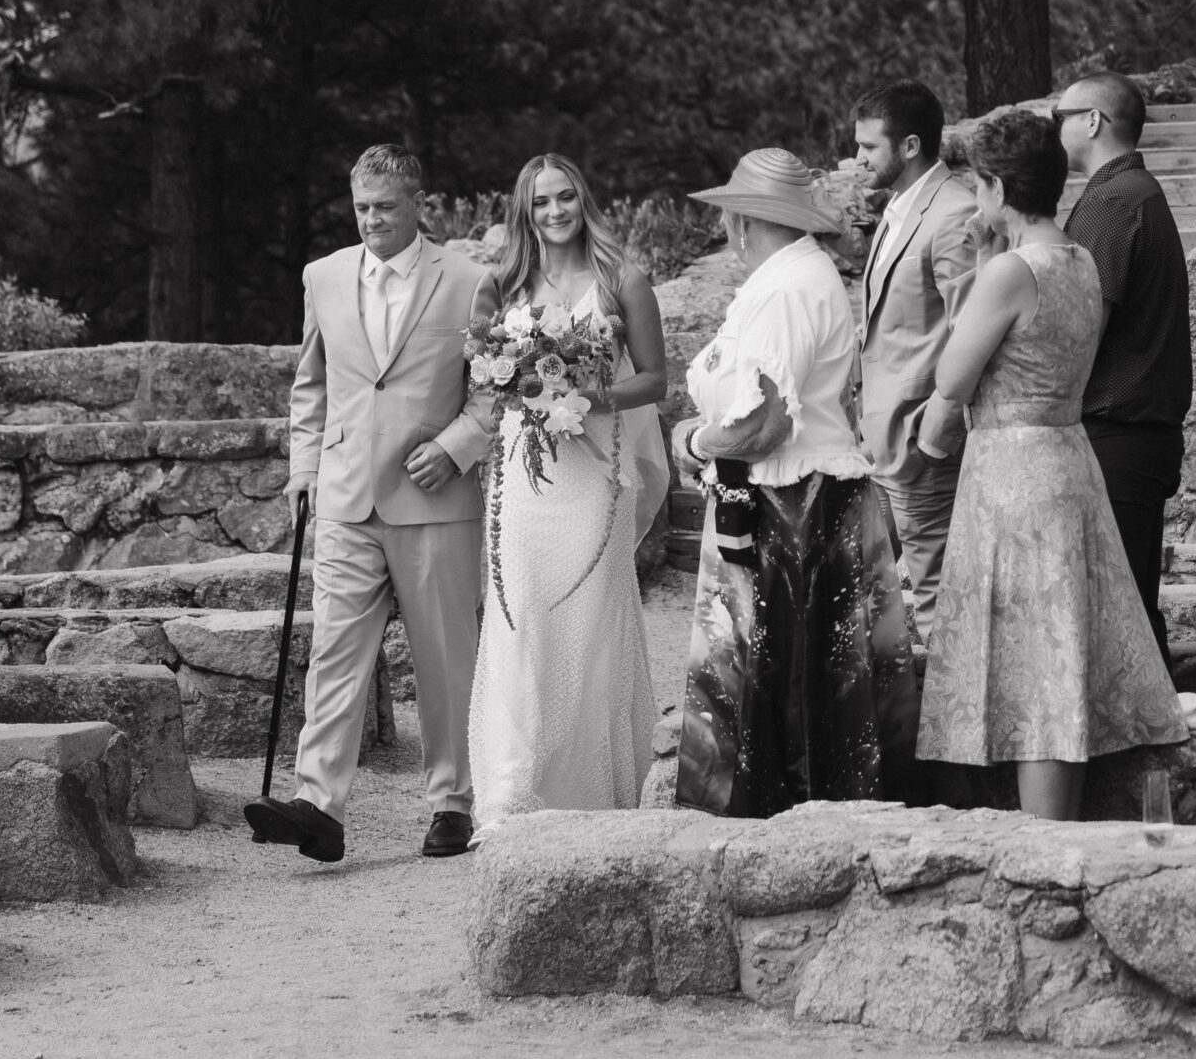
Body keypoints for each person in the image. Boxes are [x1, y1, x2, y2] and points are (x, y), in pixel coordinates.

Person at [916, 109, 1187, 819]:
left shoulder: (1011, 271)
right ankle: (1055, 828)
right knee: (1055, 658)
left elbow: (951, 378)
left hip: (1013, 472)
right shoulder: (1079, 260)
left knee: (1034, 666)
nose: (976, 203)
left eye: (978, 189)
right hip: (1067, 457)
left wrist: (974, 278)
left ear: (997, 190)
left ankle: (1040, 842)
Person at [258, 146, 492, 864]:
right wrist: (303, 470)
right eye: (360, 207)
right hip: (345, 498)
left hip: (434, 499)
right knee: (332, 652)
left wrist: (456, 445)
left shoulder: (469, 280)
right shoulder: (322, 276)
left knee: (445, 659)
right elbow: (311, 387)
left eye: (384, 208)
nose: (371, 220)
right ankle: (317, 805)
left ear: (418, 203)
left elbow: (491, 390)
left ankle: (452, 801)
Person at [675, 147, 918, 816]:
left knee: (789, 680)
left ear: (743, 220)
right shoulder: (789, 278)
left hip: (792, 504)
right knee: (815, 679)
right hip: (806, 493)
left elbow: (765, 427)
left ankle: (775, 821)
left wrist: (694, 440)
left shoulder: (786, 289)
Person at [467, 156, 669, 827]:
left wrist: (590, 392)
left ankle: (588, 795)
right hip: (525, 473)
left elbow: (655, 380)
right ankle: (512, 792)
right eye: (539, 203)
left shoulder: (621, 281)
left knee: (586, 618)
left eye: (564, 199)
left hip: (594, 470)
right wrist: (507, 377)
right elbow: (477, 366)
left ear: (582, 201)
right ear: (523, 212)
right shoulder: (504, 283)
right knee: (519, 614)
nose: (553, 213)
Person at [1057, 72, 1192, 664]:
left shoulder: (1114, 202)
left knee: (1123, 610)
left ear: (1092, 121)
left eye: (1060, 114)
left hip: (1118, 435)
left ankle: (1153, 747)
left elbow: (1086, 323)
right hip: (1133, 437)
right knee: (1128, 601)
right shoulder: (1132, 191)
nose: (1053, 126)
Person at [851, 81, 980, 642]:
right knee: (862, 588)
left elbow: (969, 330)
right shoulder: (900, 207)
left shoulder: (955, 211)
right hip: (879, 436)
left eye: (868, 147)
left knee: (936, 597)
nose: (857, 159)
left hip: (920, 438)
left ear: (908, 145)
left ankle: (954, 727)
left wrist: (935, 434)